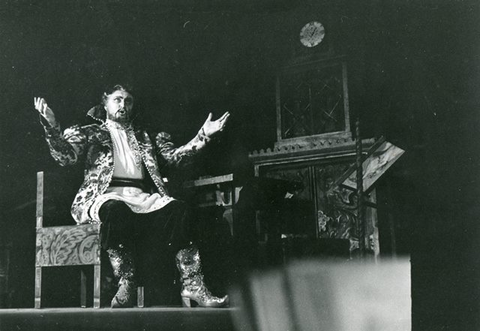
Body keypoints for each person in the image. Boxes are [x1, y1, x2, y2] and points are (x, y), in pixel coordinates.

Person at [34, 84, 230, 308]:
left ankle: (193, 284)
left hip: (140, 197)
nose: (123, 105)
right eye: (117, 100)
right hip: (104, 195)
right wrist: (51, 127)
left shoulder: (146, 137)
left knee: (179, 210)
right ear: (105, 104)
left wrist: (203, 135)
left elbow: (175, 159)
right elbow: (65, 157)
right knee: (114, 210)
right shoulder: (89, 132)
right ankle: (126, 280)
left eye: (128, 101)